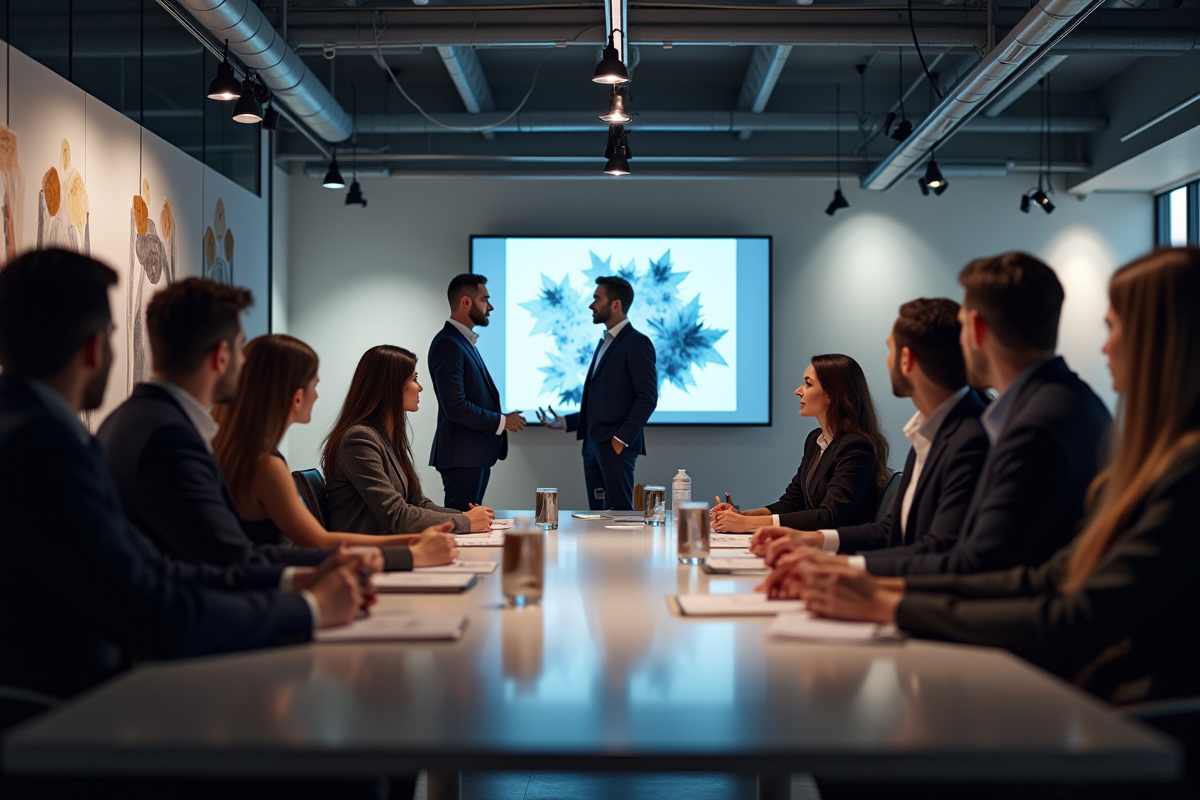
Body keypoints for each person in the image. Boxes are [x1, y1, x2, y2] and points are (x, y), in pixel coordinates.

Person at [776, 247, 1200, 715]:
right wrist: (874, 587)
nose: (1104, 347)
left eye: (1112, 327)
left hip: (1112, 720)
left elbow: (1056, 607)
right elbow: (1049, 576)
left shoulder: (1045, 426)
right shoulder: (1072, 417)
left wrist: (884, 601)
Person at [0, 250, 370, 709]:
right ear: (96, 348)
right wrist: (311, 607)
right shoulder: (48, 448)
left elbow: (156, 568)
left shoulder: (61, 432)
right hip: (74, 719)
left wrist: (301, 583)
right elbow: (157, 608)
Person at [772, 253, 1110, 576]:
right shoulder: (1026, 411)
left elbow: (968, 560)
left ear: (974, 330)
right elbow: (899, 531)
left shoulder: (1018, 426)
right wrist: (814, 542)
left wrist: (850, 576)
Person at [97, 280, 433, 574]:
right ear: (220, 357)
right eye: (238, 348)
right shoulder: (176, 439)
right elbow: (232, 563)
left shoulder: (132, 423)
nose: (242, 363)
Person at [751, 300, 989, 566]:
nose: (799, 391)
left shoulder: (970, 438)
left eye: (889, 349)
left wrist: (846, 570)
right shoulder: (926, 433)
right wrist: (812, 541)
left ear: (906, 359)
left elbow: (942, 553)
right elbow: (891, 531)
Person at [211, 334, 459, 568]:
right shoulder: (266, 466)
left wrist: (415, 544)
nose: (317, 395)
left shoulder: (240, 455)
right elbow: (320, 543)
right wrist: (412, 551)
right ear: (297, 396)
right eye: (315, 385)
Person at [325, 345, 493, 534]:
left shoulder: (384, 436)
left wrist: (466, 516)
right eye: (414, 379)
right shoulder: (359, 439)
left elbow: (418, 502)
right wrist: (465, 521)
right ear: (391, 386)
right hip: (365, 556)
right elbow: (397, 515)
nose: (420, 388)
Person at [711, 354, 889, 533]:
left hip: (842, 553)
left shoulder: (856, 447)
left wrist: (748, 524)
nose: (798, 391)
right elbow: (792, 503)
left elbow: (829, 517)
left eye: (808, 384)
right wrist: (743, 516)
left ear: (831, 395)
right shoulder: (815, 440)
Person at [537, 276, 657, 510]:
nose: (591, 305)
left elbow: (648, 397)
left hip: (614, 446)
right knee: (598, 517)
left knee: (620, 516)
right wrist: (564, 422)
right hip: (592, 445)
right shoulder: (604, 343)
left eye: (597, 299)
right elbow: (601, 402)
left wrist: (620, 440)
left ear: (616, 304)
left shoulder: (637, 343)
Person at [428, 273, 525, 510]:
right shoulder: (448, 343)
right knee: (462, 527)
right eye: (485, 300)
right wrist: (502, 422)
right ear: (466, 303)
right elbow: (455, 406)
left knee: (470, 525)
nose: (490, 306)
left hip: (471, 455)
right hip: (463, 456)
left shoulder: (460, 341)